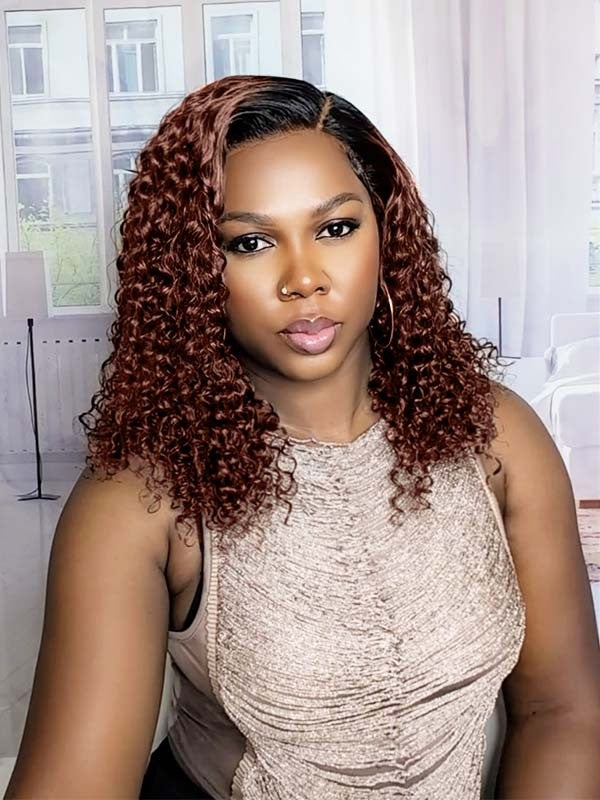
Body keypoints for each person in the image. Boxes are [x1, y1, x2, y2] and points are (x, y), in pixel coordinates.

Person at [4, 74, 600, 800]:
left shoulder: (496, 435)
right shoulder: (139, 500)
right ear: (194, 271)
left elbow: (564, 710)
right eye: (251, 242)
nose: (304, 279)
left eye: (336, 228)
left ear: (387, 232)